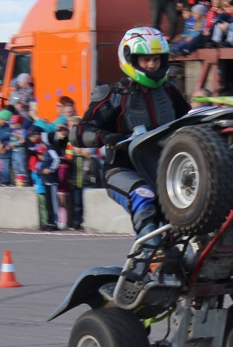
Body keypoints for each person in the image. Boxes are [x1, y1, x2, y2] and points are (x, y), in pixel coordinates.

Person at [72, 27, 190, 246]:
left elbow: (190, 123)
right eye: (145, 59)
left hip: (165, 172)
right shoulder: (114, 94)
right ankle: (147, 256)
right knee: (144, 197)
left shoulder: (171, 92)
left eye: (156, 59)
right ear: (130, 59)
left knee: (191, 216)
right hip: (122, 170)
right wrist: (105, 137)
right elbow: (79, 132)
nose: (152, 65)